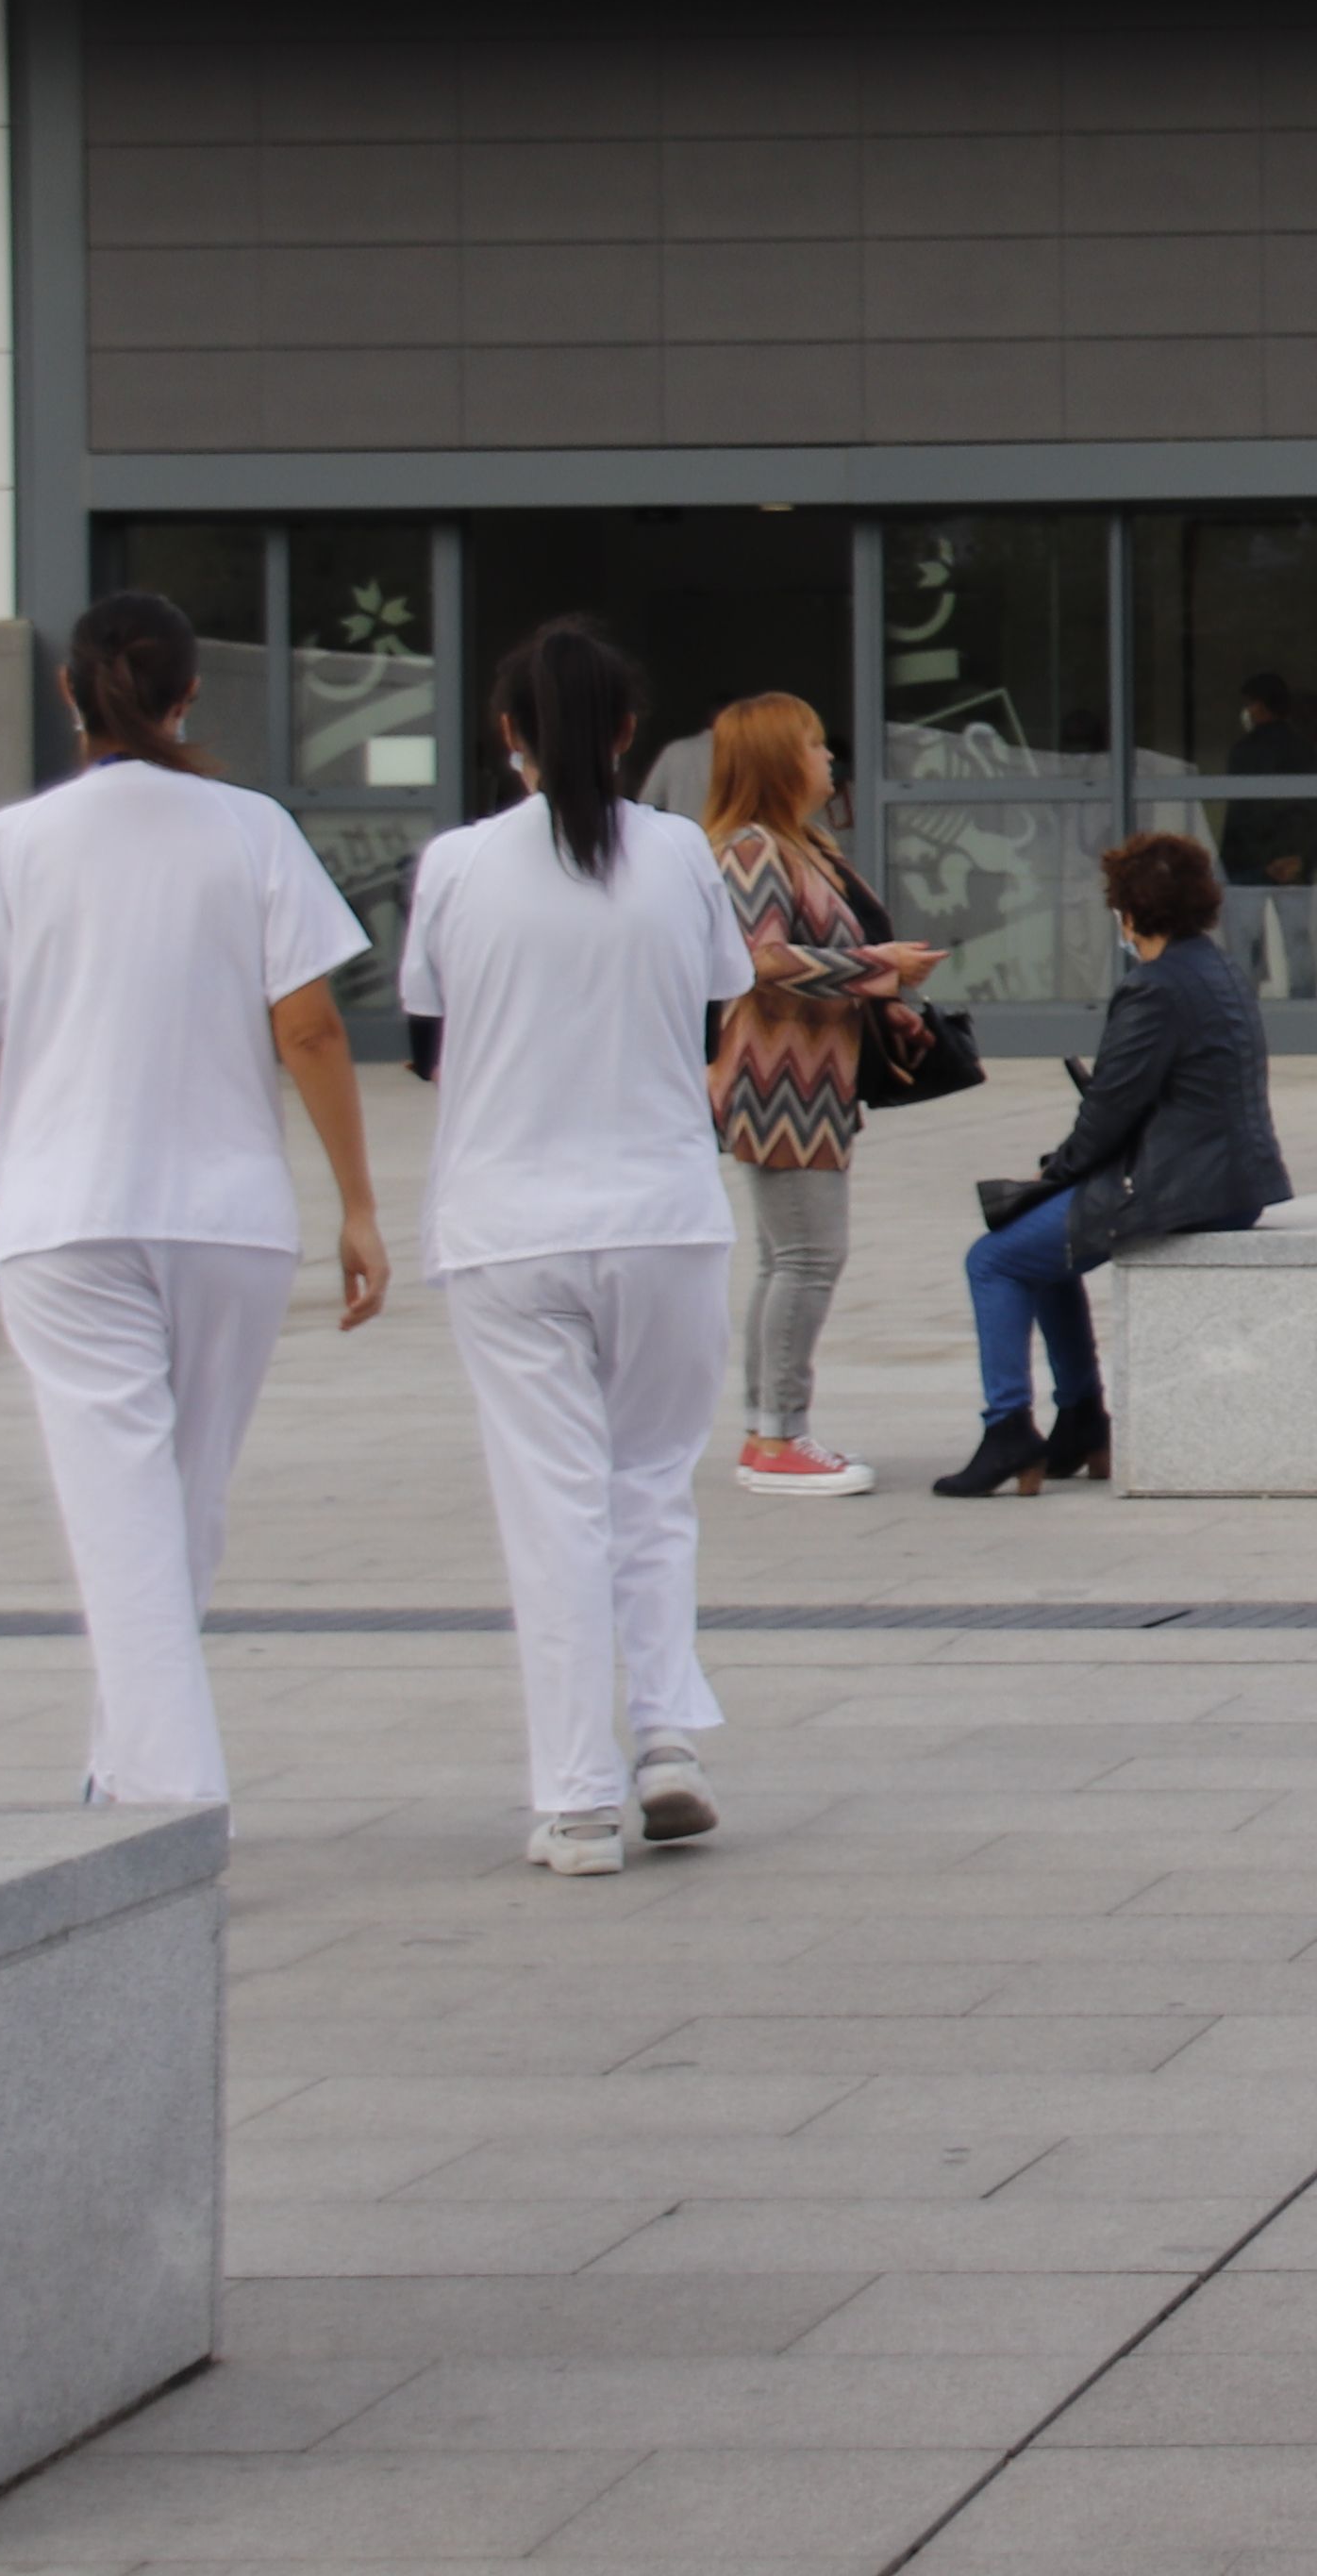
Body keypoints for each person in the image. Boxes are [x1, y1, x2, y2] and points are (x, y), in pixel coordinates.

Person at [0, 591, 391, 1811]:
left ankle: (167, 1794)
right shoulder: (252, 830)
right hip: (227, 1218)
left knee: (122, 1505)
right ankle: (124, 1769)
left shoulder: (12, 848)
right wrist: (360, 1206)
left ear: (69, 694)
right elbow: (313, 1029)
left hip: (70, 1217)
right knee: (182, 1505)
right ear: (186, 698)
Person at [404, 621, 757, 1878]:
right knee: (650, 1487)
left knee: (551, 1509)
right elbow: (714, 1014)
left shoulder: (454, 865)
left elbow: (428, 1044)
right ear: (626, 732)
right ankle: (666, 1740)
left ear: (509, 735)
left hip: (507, 1227)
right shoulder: (679, 858)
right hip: (663, 1214)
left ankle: (574, 1799)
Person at [953, 828, 1290, 1494]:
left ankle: (1008, 1429)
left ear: (1129, 914)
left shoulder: (1156, 986)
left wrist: (1058, 1173)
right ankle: (1080, 1420)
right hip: (1229, 1180)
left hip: (1183, 1187)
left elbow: (1110, 1108)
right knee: (1043, 1252)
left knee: (992, 1258)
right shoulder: (1216, 969)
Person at [699, 690, 949, 1498]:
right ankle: (778, 1436)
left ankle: (770, 1427)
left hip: (812, 1078)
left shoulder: (799, 845)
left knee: (791, 1258)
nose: (827, 757)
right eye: (811, 744)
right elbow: (760, 960)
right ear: (777, 759)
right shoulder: (752, 850)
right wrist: (879, 968)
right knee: (808, 1257)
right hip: (779, 1080)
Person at [1218, 669, 1317, 1000]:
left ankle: (1242, 1003)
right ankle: (1306, 1000)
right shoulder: (1306, 751)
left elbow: (1246, 813)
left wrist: (1262, 863)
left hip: (1248, 864)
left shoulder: (1245, 752)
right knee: (1298, 940)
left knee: (1244, 942)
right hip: (1293, 865)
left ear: (1258, 707)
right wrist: (1300, 857)